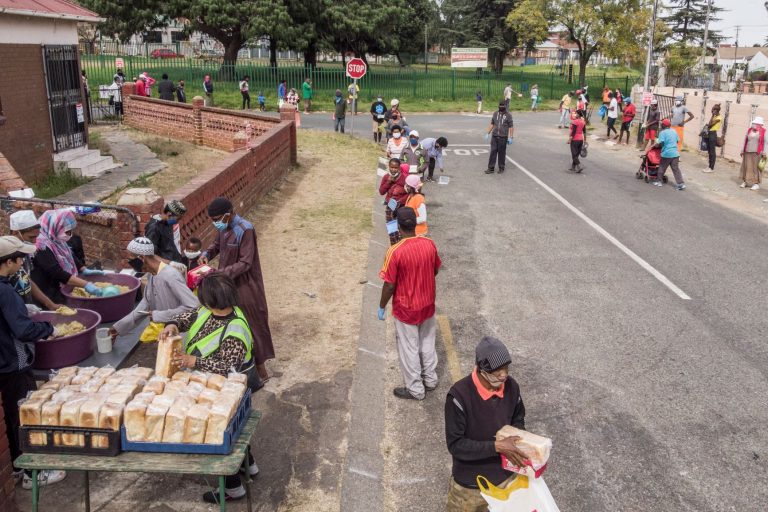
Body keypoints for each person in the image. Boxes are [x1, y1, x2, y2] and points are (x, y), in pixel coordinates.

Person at [160, 272, 260, 503]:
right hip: (210, 385)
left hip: (227, 390)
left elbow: (229, 366)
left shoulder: (236, 328)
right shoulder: (207, 311)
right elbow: (187, 317)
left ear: (210, 299)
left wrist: (194, 361)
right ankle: (250, 466)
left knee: (219, 435)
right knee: (237, 432)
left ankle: (233, 488)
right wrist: (173, 325)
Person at [0, 236, 67, 491]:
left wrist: (22, 310)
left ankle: (17, 467)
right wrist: (48, 328)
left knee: (9, 415)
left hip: (2, 362)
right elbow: (23, 331)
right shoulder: (5, 290)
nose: (22, 263)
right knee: (23, 415)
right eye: (20, 259)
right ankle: (32, 472)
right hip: (13, 363)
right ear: (9, 262)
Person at [444, 336, 527, 512]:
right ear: (481, 370)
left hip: (505, 479)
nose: (503, 376)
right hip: (470, 487)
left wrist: (520, 439)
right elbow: (456, 445)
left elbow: (518, 417)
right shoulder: (459, 396)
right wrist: (497, 446)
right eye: (497, 372)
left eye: (506, 369)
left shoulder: (512, 386)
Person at [199, 198, 275, 381]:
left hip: (245, 285)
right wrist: (206, 254)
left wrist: (221, 273)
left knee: (252, 325)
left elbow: (246, 262)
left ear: (229, 213)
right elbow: (216, 245)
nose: (216, 222)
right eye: (213, 220)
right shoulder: (223, 227)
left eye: (218, 218)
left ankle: (260, 369)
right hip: (227, 283)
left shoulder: (245, 229)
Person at [378, 207, 441, 400]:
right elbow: (436, 269)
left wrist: (381, 306)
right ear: (415, 224)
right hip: (427, 304)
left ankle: (415, 389)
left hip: (406, 309)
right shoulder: (429, 244)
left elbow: (389, 285)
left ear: (398, 226)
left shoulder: (394, 251)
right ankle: (430, 380)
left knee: (410, 348)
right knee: (428, 343)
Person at [110, 237, 198, 341]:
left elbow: (193, 306)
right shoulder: (152, 275)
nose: (132, 265)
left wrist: (159, 315)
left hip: (179, 334)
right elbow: (145, 304)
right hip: (165, 334)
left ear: (142, 258)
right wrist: (117, 328)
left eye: (132, 261)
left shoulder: (171, 276)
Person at [31, 209, 106, 305]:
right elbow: (56, 272)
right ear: (55, 227)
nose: (70, 235)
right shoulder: (41, 246)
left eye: (71, 231)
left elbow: (68, 254)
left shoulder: (55, 237)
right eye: (67, 232)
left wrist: (83, 269)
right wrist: (86, 284)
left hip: (58, 285)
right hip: (47, 289)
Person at [8, 211, 62, 312]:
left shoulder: (25, 250)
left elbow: (26, 279)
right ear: (16, 232)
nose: (34, 241)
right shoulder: (5, 255)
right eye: (31, 237)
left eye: (36, 237)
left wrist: (50, 304)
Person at [379, 159, 408, 245]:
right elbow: (381, 192)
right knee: (392, 229)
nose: (393, 169)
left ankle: (402, 246)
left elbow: (409, 193)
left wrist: (400, 200)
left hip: (402, 206)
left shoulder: (404, 178)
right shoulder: (386, 177)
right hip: (390, 206)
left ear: (399, 168)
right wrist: (389, 181)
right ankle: (394, 246)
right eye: (392, 167)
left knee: (401, 228)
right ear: (389, 167)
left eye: (396, 168)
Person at [652, 119, 686, 190]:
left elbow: (661, 143)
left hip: (667, 153)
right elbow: (677, 140)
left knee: (662, 167)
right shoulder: (674, 131)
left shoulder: (662, 132)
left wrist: (656, 146)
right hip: (675, 153)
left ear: (664, 125)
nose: (661, 125)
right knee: (676, 169)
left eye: (662, 124)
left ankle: (659, 181)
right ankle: (681, 184)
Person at [485, 101, 514, 174]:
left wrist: (511, 137)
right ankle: (491, 168)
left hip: (503, 137)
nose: (501, 107)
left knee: (502, 153)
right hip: (494, 136)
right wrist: (487, 133)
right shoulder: (495, 113)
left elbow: (511, 126)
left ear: (505, 106)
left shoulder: (508, 115)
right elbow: (492, 123)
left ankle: (501, 167)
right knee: (493, 152)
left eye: (502, 106)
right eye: (500, 106)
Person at [739, 116, 766, 190]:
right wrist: (742, 149)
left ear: (759, 125)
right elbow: (745, 140)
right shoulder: (749, 130)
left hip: (757, 153)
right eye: (753, 123)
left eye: (755, 123)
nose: (753, 124)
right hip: (747, 151)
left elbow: (766, 143)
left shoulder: (764, 131)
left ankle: (756, 183)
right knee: (746, 166)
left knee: (755, 168)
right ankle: (745, 181)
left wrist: (765, 152)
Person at [703, 104, 723, 173]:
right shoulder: (714, 116)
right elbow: (709, 123)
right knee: (709, 151)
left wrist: (712, 116)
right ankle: (709, 166)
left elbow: (710, 124)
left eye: (713, 110)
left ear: (716, 110)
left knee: (712, 152)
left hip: (713, 134)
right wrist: (712, 115)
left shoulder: (719, 117)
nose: (712, 111)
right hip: (710, 133)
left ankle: (711, 168)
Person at [568, 108, 587, 173]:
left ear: (578, 115)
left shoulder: (575, 122)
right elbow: (584, 132)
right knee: (576, 154)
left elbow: (573, 131)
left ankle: (579, 165)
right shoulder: (583, 122)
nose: (575, 114)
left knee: (574, 154)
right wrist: (585, 140)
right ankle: (573, 167)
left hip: (575, 139)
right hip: (581, 140)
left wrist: (570, 139)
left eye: (576, 113)